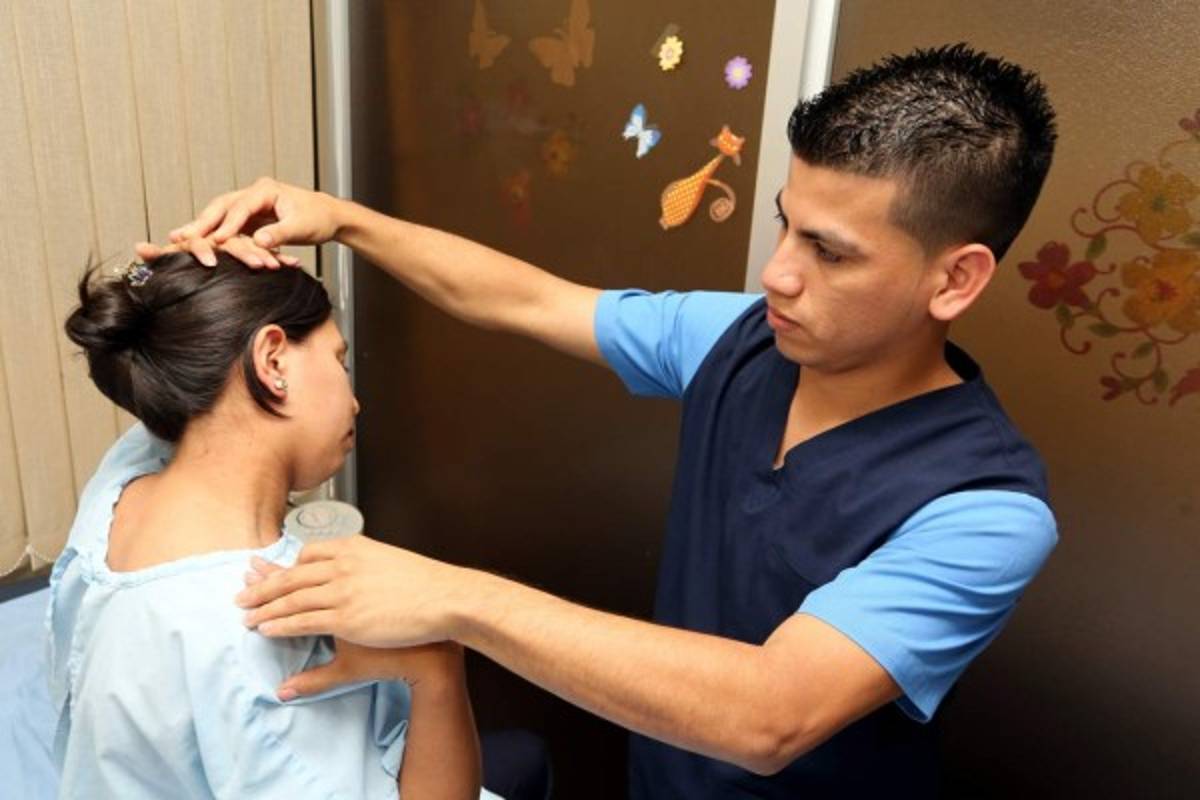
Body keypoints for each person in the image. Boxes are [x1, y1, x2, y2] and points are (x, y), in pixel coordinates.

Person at [144, 45, 1060, 797]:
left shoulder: (985, 510)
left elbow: (771, 714)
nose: (778, 273)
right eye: (787, 225)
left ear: (955, 279)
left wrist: (456, 598)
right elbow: (530, 301)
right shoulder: (746, 341)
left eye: (830, 252)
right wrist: (341, 220)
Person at [54, 251, 492, 799]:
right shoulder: (266, 623)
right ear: (273, 361)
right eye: (340, 361)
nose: (354, 402)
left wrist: (185, 300)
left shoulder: (120, 486)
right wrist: (439, 666)